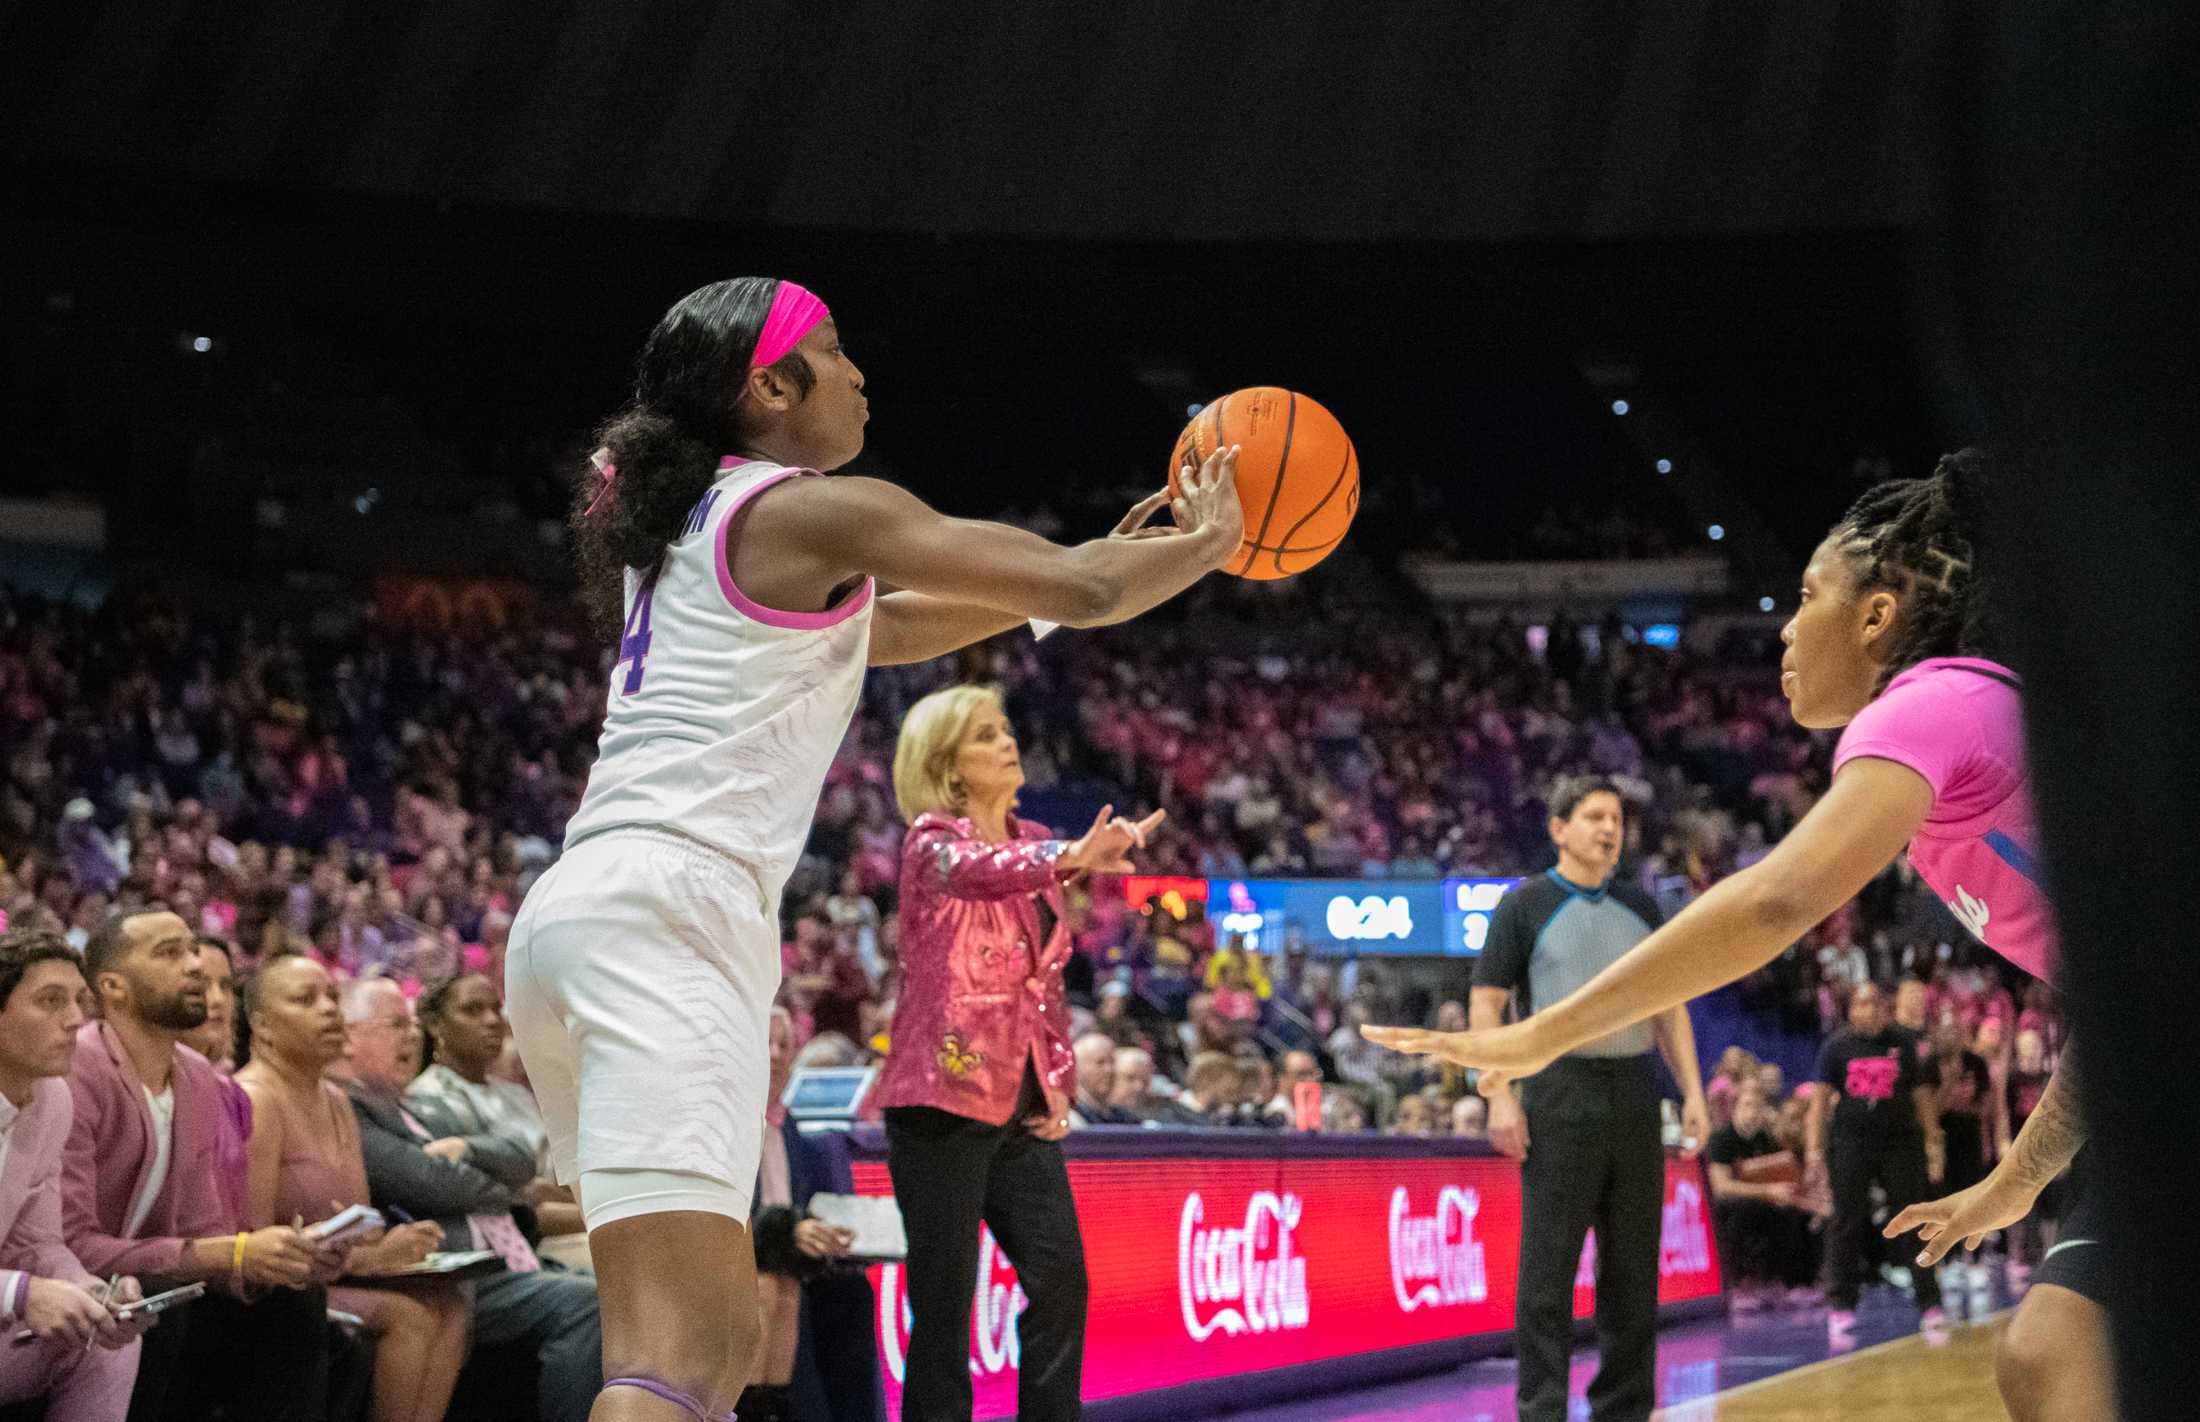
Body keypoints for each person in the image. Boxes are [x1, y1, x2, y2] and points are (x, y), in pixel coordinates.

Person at [503, 275, 1242, 1422]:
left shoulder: (698, 522)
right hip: (669, 914)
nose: (858, 374)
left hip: (578, 914)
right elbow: (1090, 589)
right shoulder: (807, 507)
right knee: (684, 1360)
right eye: (834, 353)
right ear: (769, 385)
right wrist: (1209, 547)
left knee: (687, 1344)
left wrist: (1078, 573)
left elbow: (886, 628)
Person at [1365, 452, 2103, 1420]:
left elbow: (1771, 904)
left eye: (1806, 596)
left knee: (2057, 1361)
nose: (1786, 629)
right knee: (2050, 1359)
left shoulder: (1933, 704)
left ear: (1877, 616)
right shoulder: (1948, 761)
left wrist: (1545, 1032)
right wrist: (2012, 1183)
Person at [873, 684, 1163, 1422]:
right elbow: (984, 868)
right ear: (948, 765)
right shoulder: (931, 844)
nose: (1007, 742)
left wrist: (1058, 1080)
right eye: (984, 736)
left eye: (1005, 729)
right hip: (942, 1095)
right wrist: (1071, 856)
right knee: (944, 1306)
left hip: (1021, 1101)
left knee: (1062, 1279)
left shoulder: (1032, 840)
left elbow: (1046, 982)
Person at [1460, 776, 1708, 1422]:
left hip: (1633, 1092)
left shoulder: (1642, 909)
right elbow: (1485, 1003)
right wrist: (1499, 1096)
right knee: (1548, 1269)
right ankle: (1541, 1408)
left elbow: (1668, 1005)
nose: (1609, 830)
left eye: (1618, 820)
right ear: (1558, 828)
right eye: (1595, 817)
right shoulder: (1524, 906)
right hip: (1559, 1089)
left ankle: (1625, 1407)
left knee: (1632, 1271)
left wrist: (1693, 1093)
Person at [62, 912, 335, 1422]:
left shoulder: (196, 1077)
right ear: (112, 987)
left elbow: (203, 1230)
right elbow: (73, 1242)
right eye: (169, 953)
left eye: (192, 950)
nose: (193, 967)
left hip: (155, 1285)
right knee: (160, 1304)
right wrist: (228, 1251)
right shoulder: (76, 1070)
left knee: (293, 1302)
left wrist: (263, 1263)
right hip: (71, 1291)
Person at [335, 976, 606, 1422]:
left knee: (611, 1288)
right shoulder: (355, 1106)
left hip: (499, 1258)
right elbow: (427, 1182)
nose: (411, 1036)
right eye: (395, 1026)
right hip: (453, 1268)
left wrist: (470, 1152)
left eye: (410, 1025)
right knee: (584, 1302)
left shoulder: (424, 1110)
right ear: (350, 1037)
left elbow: (519, 1155)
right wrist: (503, 1193)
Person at [234, 955, 465, 1422]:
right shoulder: (255, 1099)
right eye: (306, 1000)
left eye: (332, 998)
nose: (328, 1010)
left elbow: (355, 1218)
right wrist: (369, 1257)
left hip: (332, 1275)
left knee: (452, 1303)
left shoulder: (338, 1100)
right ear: (262, 1026)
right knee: (408, 1317)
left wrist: (395, 1246)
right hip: (278, 1294)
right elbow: (251, 1246)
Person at [0, 928, 153, 1421]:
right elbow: (24, 1282)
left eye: (78, 1002)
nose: (74, 1020)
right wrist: (22, 1294)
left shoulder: (52, 1098)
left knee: (101, 1339)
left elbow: (37, 1242)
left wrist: (86, 1289)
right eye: (49, 1001)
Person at [743, 1008, 879, 1422]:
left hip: (785, 1260)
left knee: (851, 1294)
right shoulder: (722, 1124)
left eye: (784, 1045)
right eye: (764, 1042)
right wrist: (787, 1233)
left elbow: (809, 1211)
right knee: (775, 1285)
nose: (774, 1055)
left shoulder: (794, 1132)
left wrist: (840, 1239)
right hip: (737, 1260)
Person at [1808, 981, 1945, 1335]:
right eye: (1860, 1004)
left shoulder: (1904, 1043)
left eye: (1874, 1005)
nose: (1868, 1011)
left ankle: (1929, 1300)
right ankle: (1840, 1303)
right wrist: (1813, 1151)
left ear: (1885, 1009)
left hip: (1900, 1142)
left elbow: (1922, 1097)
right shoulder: (1836, 1048)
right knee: (1845, 1220)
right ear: (1851, 1009)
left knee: (1914, 1216)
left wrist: (1933, 1142)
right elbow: (1819, 1103)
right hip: (1851, 1142)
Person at [1704, 1080, 1819, 1309]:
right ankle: (1741, 1286)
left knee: (1794, 1213)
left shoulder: (1765, 1139)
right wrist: (1766, 1191)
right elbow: (1720, 1186)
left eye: (1757, 1107)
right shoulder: (1720, 1139)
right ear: (1734, 1108)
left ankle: (1786, 1283)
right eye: (1747, 1106)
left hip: (1762, 1201)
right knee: (1742, 1211)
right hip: (1729, 1206)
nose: (1753, 1112)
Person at [1066, 1033, 1136, 1127]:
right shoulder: (1068, 1118)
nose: (1109, 1070)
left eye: (1112, 1062)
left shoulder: (1126, 1119)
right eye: (1100, 1063)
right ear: (1076, 1067)